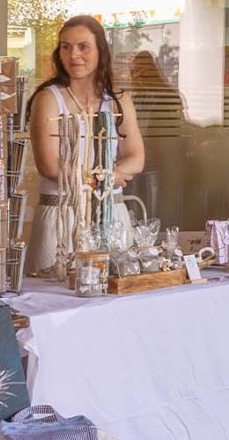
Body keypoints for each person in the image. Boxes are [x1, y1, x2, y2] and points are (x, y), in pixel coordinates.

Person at [28, 15, 147, 274]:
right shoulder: (48, 99)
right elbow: (49, 166)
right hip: (62, 215)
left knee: (115, 287)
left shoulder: (118, 99)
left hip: (111, 212)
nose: (74, 55)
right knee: (54, 287)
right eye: (66, 47)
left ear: (100, 51)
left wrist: (109, 175)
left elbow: (136, 158)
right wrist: (105, 177)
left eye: (83, 47)